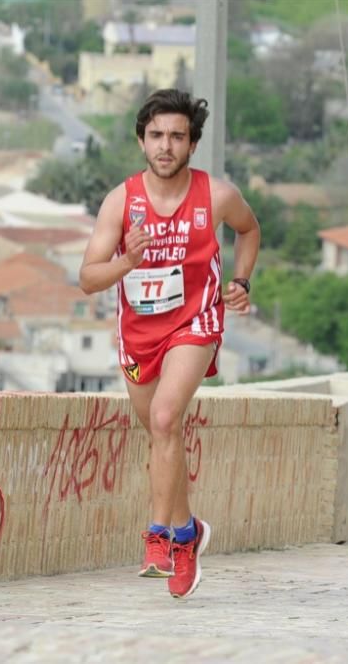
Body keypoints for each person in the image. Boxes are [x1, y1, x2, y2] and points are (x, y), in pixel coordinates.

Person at [79, 89, 260, 599]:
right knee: (163, 435)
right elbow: (89, 278)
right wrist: (126, 262)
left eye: (177, 137)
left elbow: (250, 231)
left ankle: (160, 539)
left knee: (164, 419)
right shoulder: (121, 201)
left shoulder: (216, 196)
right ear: (141, 141)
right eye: (156, 136)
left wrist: (242, 283)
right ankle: (188, 531)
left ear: (192, 144)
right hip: (139, 337)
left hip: (195, 324)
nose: (166, 146)